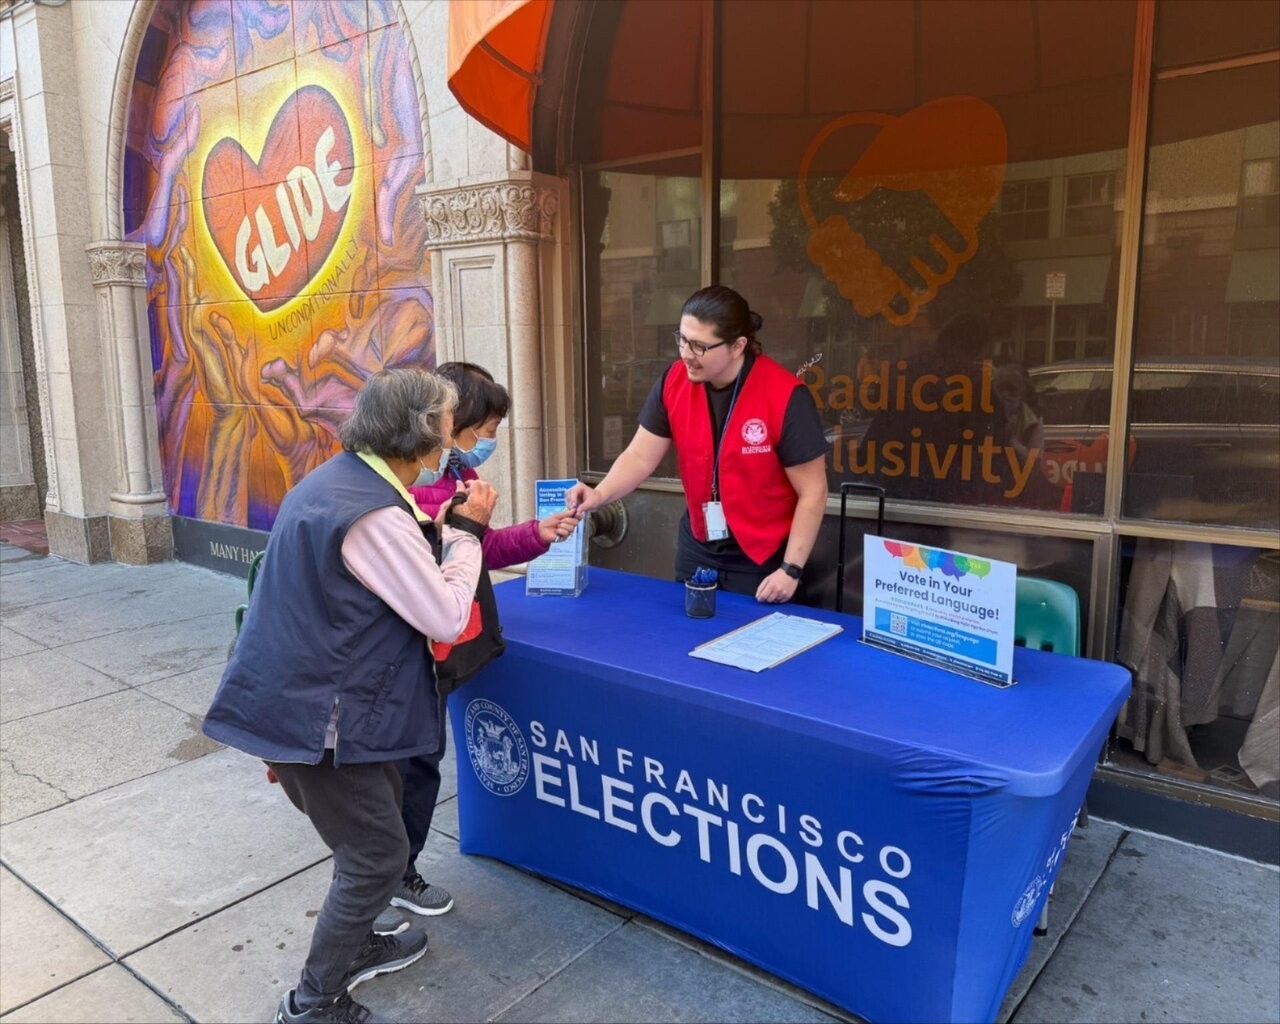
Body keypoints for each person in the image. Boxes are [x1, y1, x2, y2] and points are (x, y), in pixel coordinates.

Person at [203, 369, 498, 1024]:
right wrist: (469, 536)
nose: (457, 443)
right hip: (325, 718)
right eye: (452, 427)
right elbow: (445, 616)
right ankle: (312, 1003)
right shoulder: (372, 511)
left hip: (310, 707)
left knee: (370, 838)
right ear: (422, 432)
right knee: (377, 857)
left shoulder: (339, 483)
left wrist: (441, 539)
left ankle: (356, 945)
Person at [378, 361, 577, 928]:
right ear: (444, 423)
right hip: (412, 650)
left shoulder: (457, 481)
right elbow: (443, 564)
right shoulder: (407, 494)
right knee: (411, 768)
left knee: (420, 763)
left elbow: (478, 549)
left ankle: (394, 868)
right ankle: (393, 874)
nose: (488, 440)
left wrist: (538, 533)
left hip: (438, 650)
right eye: (481, 427)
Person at [567, 286, 829, 602]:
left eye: (699, 346)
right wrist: (600, 494)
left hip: (763, 558)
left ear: (738, 346)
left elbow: (813, 491)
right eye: (681, 339)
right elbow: (639, 456)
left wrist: (791, 569)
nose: (686, 353)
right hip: (698, 546)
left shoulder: (785, 395)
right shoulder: (673, 381)